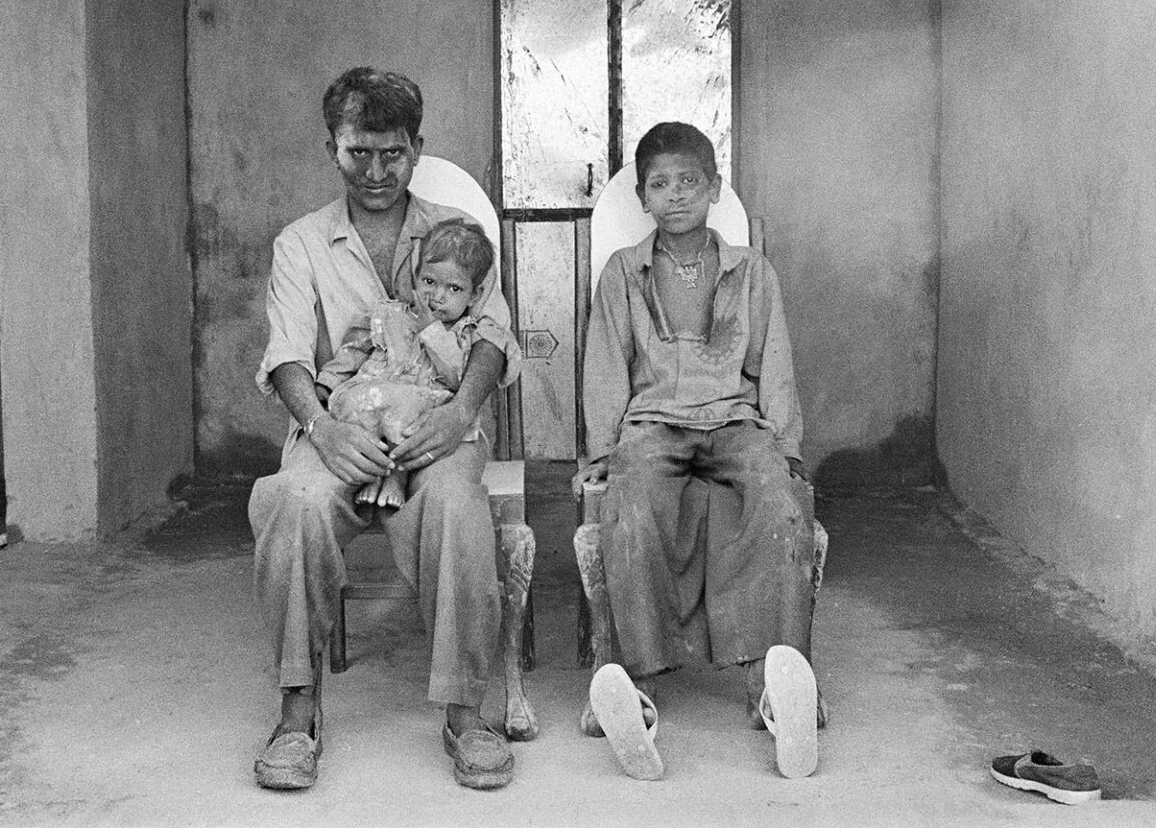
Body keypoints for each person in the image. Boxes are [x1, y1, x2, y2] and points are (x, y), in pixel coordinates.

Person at [248, 67, 522, 791]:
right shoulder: (300, 243)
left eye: (391, 154)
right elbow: (284, 354)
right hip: (339, 425)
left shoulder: (455, 239)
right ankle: (297, 707)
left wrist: (462, 411)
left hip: (435, 423)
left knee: (458, 506)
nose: (375, 171)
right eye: (356, 152)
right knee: (294, 501)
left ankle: (465, 710)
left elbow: (493, 336)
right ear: (331, 148)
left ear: (417, 147)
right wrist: (320, 428)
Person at [575, 121, 820, 779]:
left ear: (714, 188)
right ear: (642, 196)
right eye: (660, 184)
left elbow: (775, 362)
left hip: (735, 418)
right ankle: (637, 686)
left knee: (778, 502)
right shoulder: (623, 273)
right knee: (628, 509)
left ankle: (774, 684)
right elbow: (605, 363)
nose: (676, 195)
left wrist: (785, 444)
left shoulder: (750, 271)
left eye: (689, 182)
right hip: (652, 421)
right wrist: (603, 449)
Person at [317, 217, 497, 510]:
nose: (437, 296)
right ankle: (375, 473)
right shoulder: (387, 314)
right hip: (374, 400)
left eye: (454, 289)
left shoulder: (465, 332)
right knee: (355, 406)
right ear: (416, 277)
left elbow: (456, 377)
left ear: (473, 295)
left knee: (414, 415)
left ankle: (397, 475)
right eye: (429, 282)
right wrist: (327, 382)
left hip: (419, 408)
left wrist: (431, 332)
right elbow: (354, 349)